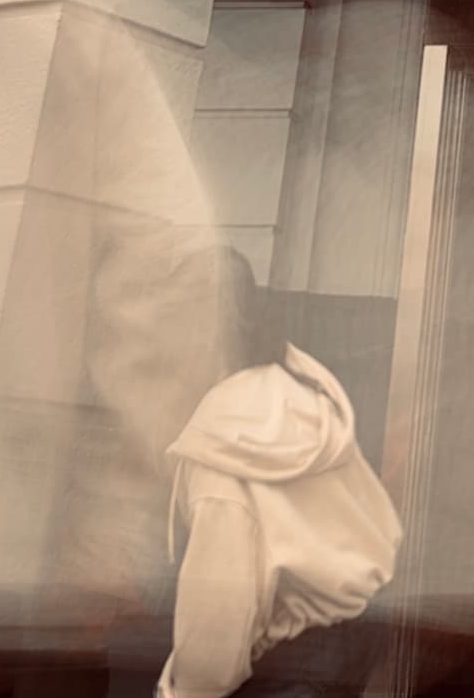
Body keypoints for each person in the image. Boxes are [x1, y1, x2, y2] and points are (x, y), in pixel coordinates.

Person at [158, 251, 401, 698]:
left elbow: (215, 636)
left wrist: (176, 690)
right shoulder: (298, 394)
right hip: (349, 644)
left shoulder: (222, 446)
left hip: (282, 669)